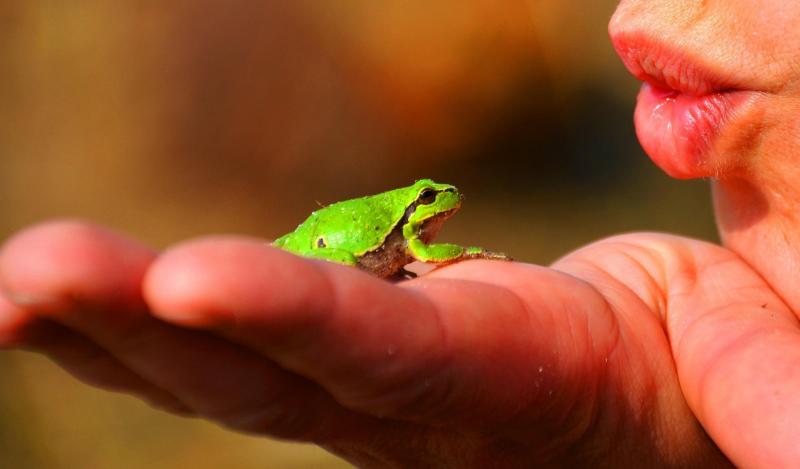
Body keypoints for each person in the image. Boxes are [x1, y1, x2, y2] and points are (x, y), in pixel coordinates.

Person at [1, 0, 798, 466]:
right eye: (431, 197)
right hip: (333, 251)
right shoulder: (413, 232)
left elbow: (421, 252)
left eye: (435, 199)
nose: (630, 10)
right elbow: (418, 253)